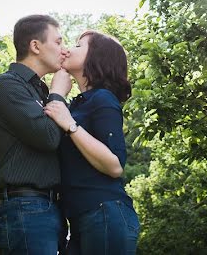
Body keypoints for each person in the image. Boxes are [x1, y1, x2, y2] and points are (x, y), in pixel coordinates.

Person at [44, 30, 140, 254]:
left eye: (78, 46)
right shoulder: (77, 105)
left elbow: (115, 166)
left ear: (96, 58)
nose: (68, 49)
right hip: (79, 220)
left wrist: (70, 125)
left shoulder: (103, 99)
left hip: (105, 212)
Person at [0, 14, 72, 254]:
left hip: (48, 209)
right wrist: (58, 94)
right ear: (35, 46)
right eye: (58, 42)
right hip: (24, 207)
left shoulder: (40, 91)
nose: (64, 50)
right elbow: (48, 137)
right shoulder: (7, 86)